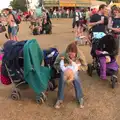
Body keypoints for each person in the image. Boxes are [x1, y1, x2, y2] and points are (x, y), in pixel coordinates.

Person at [54, 42, 87, 109]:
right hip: (65, 69)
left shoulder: (80, 54)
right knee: (63, 77)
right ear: (68, 52)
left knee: (76, 77)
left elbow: (85, 67)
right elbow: (55, 64)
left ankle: (80, 97)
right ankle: (59, 99)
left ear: (76, 53)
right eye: (70, 54)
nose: (71, 56)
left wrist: (77, 68)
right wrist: (63, 69)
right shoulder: (63, 54)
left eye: (73, 55)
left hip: (74, 69)